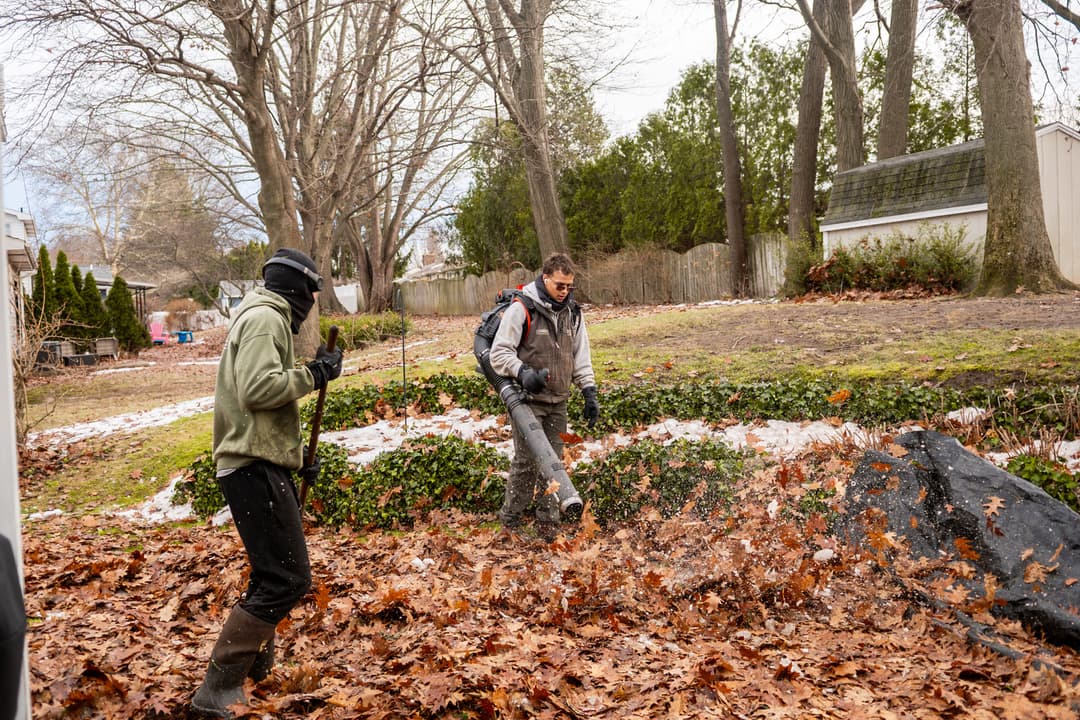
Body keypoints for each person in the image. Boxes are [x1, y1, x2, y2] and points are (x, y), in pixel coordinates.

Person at [192, 248, 343, 718]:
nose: (314, 300)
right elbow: (258, 390)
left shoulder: (264, 314)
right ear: (296, 288)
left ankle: (253, 669)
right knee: (289, 578)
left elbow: (258, 412)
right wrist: (313, 374)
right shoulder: (264, 318)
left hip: (258, 462)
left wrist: (295, 461)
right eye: (313, 291)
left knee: (271, 573)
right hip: (250, 467)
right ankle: (217, 688)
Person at [489, 253, 600, 541]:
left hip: (558, 401)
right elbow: (499, 353)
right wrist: (522, 371)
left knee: (554, 463)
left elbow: (580, 355)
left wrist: (589, 391)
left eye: (569, 287)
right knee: (526, 462)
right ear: (545, 278)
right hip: (528, 401)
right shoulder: (522, 308)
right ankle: (510, 522)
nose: (564, 292)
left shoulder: (573, 313)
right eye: (560, 286)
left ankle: (548, 525)